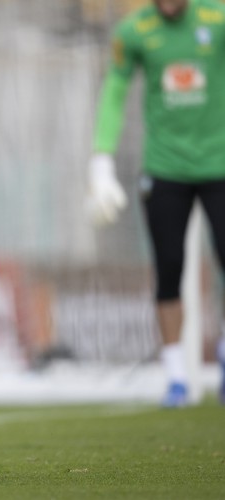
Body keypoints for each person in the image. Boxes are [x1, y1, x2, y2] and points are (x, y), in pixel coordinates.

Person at [86, 0, 225, 407]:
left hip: (219, 162)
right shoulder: (134, 31)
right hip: (164, 167)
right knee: (168, 266)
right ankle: (177, 375)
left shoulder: (217, 18)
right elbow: (114, 90)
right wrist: (101, 157)